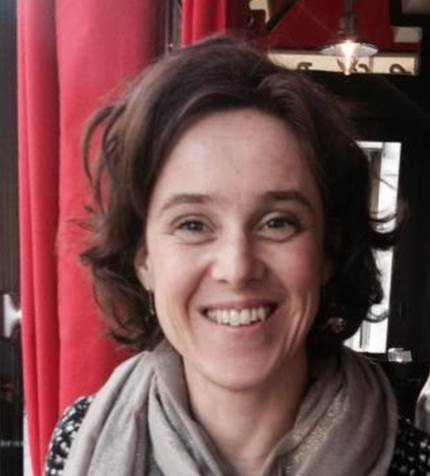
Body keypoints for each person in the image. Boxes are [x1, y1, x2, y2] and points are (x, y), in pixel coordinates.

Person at [44, 36, 430, 476]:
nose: (237, 268)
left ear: (328, 250)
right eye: (193, 224)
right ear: (142, 257)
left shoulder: (414, 464)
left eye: (278, 222)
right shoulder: (79, 439)